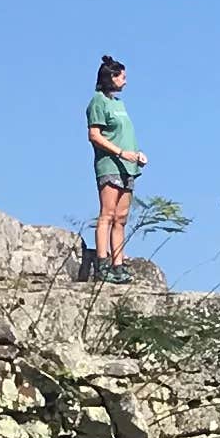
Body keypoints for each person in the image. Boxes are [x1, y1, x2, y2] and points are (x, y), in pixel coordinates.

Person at [86, 53, 141, 275]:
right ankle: (102, 263)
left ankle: (118, 264)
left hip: (129, 166)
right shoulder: (98, 102)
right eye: (122, 77)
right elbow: (94, 135)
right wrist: (120, 152)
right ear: (111, 78)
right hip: (110, 165)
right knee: (107, 214)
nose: (125, 81)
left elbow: (124, 134)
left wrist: (136, 155)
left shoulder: (119, 104)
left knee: (121, 218)